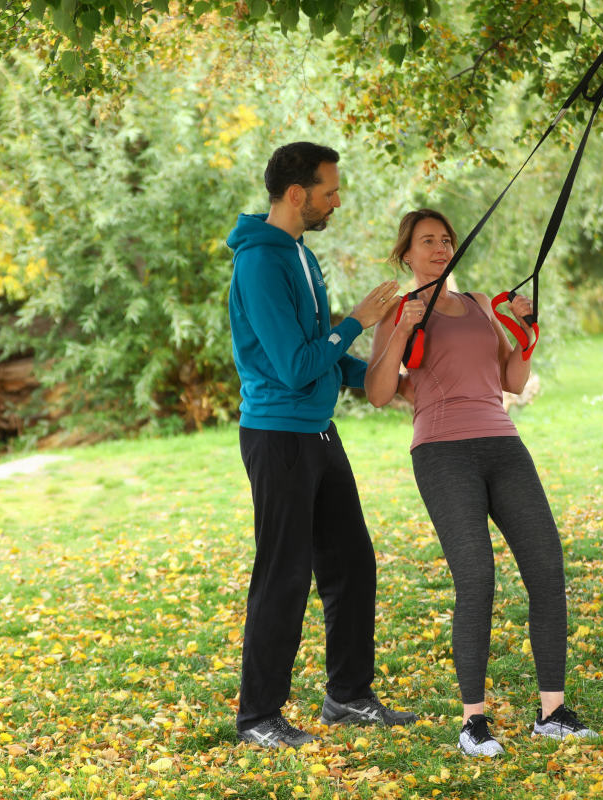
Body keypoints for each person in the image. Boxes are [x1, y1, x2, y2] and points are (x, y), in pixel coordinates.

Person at [365, 208, 597, 757]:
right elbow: (378, 392)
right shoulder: (399, 312)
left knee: (546, 567)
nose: (441, 248)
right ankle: (473, 723)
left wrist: (525, 332)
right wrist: (402, 326)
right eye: (428, 242)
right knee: (477, 578)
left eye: (446, 239)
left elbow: (511, 379)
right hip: (443, 453)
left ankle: (552, 712)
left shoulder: (474, 308)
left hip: (502, 444)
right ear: (407, 254)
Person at [226, 142, 418, 749]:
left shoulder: (300, 255)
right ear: (294, 194)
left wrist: (387, 380)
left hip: (315, 431)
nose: (336, 200)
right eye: (329, 190)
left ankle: (348, 696)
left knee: (352, 564)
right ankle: (259, 717)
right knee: (283, 573)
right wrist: (358, 319)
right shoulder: (261, 263)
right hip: (278, 434)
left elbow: (324, 358)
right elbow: (294, 365)